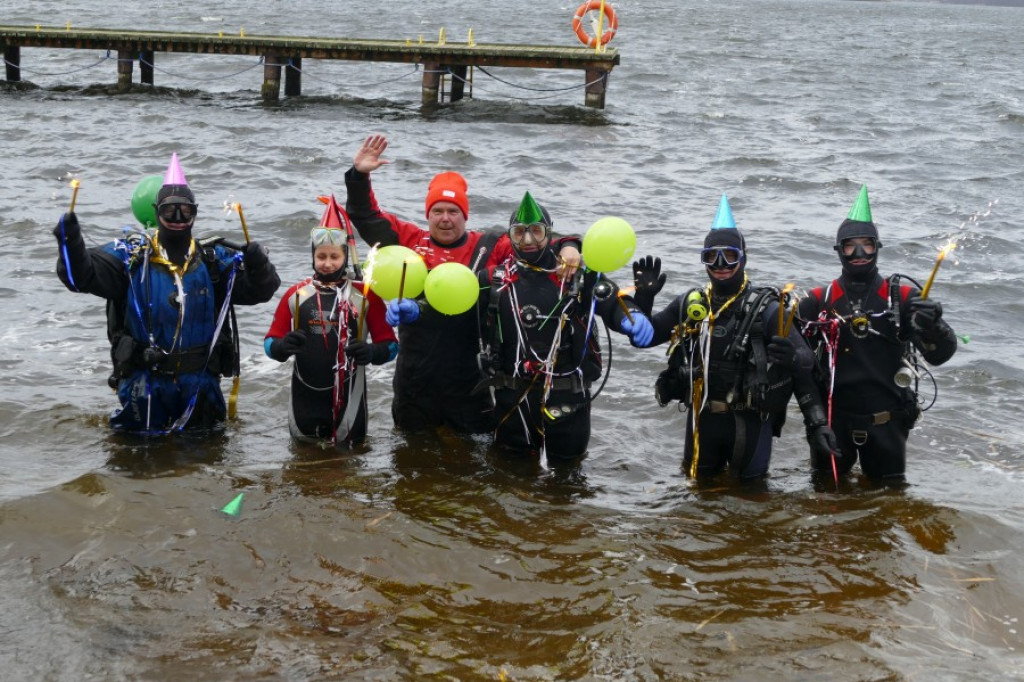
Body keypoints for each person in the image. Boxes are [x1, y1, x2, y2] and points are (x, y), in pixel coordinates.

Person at [343, 134, 582, 434]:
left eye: (453, 211)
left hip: (470, 374)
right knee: (409, 453)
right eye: (437, 211)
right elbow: (365, 216)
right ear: (427, 215)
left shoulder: (490, 244)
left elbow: (536, 243)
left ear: (465, 216)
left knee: (472, 457)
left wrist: (570, 247)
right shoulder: (410, 241)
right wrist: (359, 176)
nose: (445, 219)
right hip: (416, 372)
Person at [53, 153, 280, 433]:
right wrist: (71, 243)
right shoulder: (131, 257)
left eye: (185, 211)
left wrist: (260, 265)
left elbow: (262, 290)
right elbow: (79, 277)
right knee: (135, 463)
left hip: (200, 385)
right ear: (156, 210)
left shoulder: (213, 260)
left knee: (207, 461)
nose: (176, 218)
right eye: (169, 210)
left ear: (195, 213)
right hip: (144, 384)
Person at [634, 194, 836, 479]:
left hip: (749, 423)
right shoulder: (691, 303)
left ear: (743, 257)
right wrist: (643, 301)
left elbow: (804, 363)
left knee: (752, 501)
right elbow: (643, 338)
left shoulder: (766, 309)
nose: (720, 264)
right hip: (702, 420)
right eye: (711, 256)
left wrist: (817, 422)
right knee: (697, 500)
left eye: (730, 255)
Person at [477, 191, 653, 462]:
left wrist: (632, 318)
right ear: (509, 236)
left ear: (549, 234)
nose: (528, 241)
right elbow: (452, 303)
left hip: (568, 399)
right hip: (513, 399)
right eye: (519, 232)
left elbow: (610, 302)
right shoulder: (493, 279)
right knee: (510, 479)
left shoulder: (575, 275)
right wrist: (416, 309)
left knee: (568, 482)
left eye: (536, 231)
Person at [797, 185, 957, 482]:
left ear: (878, 246)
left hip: (888, 422)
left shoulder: (904, 298)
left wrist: (934, 325)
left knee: (888, 505)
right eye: (849, 246)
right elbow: (798, 369)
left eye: (866, 244)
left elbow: (940, 356)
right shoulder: (817, 301)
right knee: (825, 504)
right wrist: (815, 421)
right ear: (838, 250)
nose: (859, 253)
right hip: (833, 423)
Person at [264, 196, 397, 444]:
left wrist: (372, 352)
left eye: (334, 257)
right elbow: (270, 342)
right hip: (304, 400)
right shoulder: (296, 296)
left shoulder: (366, 297)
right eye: (321, 256)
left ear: (345, 257)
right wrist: (281, 347)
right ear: (313, 256)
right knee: (300, 465)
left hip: (351, 402)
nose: (327, 264)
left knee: (351, 462)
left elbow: (391, 346)